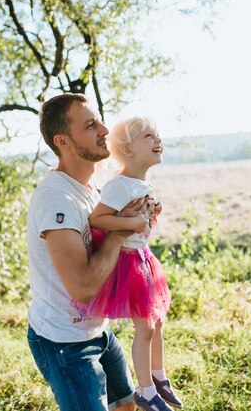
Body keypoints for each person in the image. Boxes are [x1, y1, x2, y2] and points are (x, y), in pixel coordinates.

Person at [26, 93, 141, 411]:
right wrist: (119, 230)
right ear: (62, 141)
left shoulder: (92, 191)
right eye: (91, 125)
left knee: (127, 405)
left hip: (97, 329)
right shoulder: (57, 199)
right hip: (65, 342)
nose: (105, 130)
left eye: (100, 121)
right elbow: (83, 287)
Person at [72, 116, 183, 411]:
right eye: (149, 136)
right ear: (129, 150)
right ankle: (145, 390)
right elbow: (98, 218)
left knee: (157, 321)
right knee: (145, 326)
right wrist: (132, 221)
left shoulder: (141, 183)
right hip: (126, 262)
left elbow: (144, 217)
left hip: (143, 258)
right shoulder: (120, 185)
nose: (158, 140)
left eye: (158, 135)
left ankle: (158, 377)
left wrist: (153, 209)